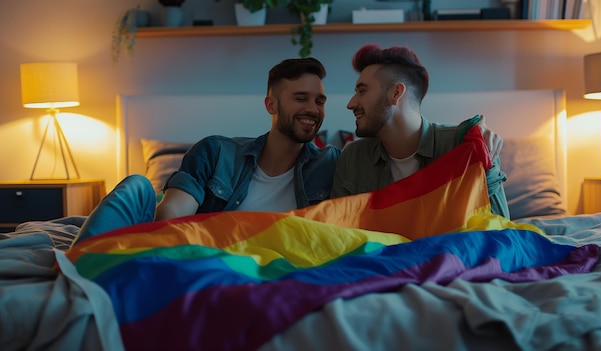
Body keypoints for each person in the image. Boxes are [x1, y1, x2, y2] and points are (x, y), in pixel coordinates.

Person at [73, 57, 340, 245]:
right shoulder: (216, 152)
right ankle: (79, 267)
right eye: (301, 98)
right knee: (137, 186)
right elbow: (172, 216)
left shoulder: (332, 163)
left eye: (320, 101)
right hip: (202, 252)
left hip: (274, 265)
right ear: (271, 105)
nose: (313, 109)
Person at [330, 44, 510, 219]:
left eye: (362, 91)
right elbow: (338, 235)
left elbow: (500, 230)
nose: (351, 104)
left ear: (396, 93)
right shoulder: (353, 158)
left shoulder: (464, 145)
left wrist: (483, 153)